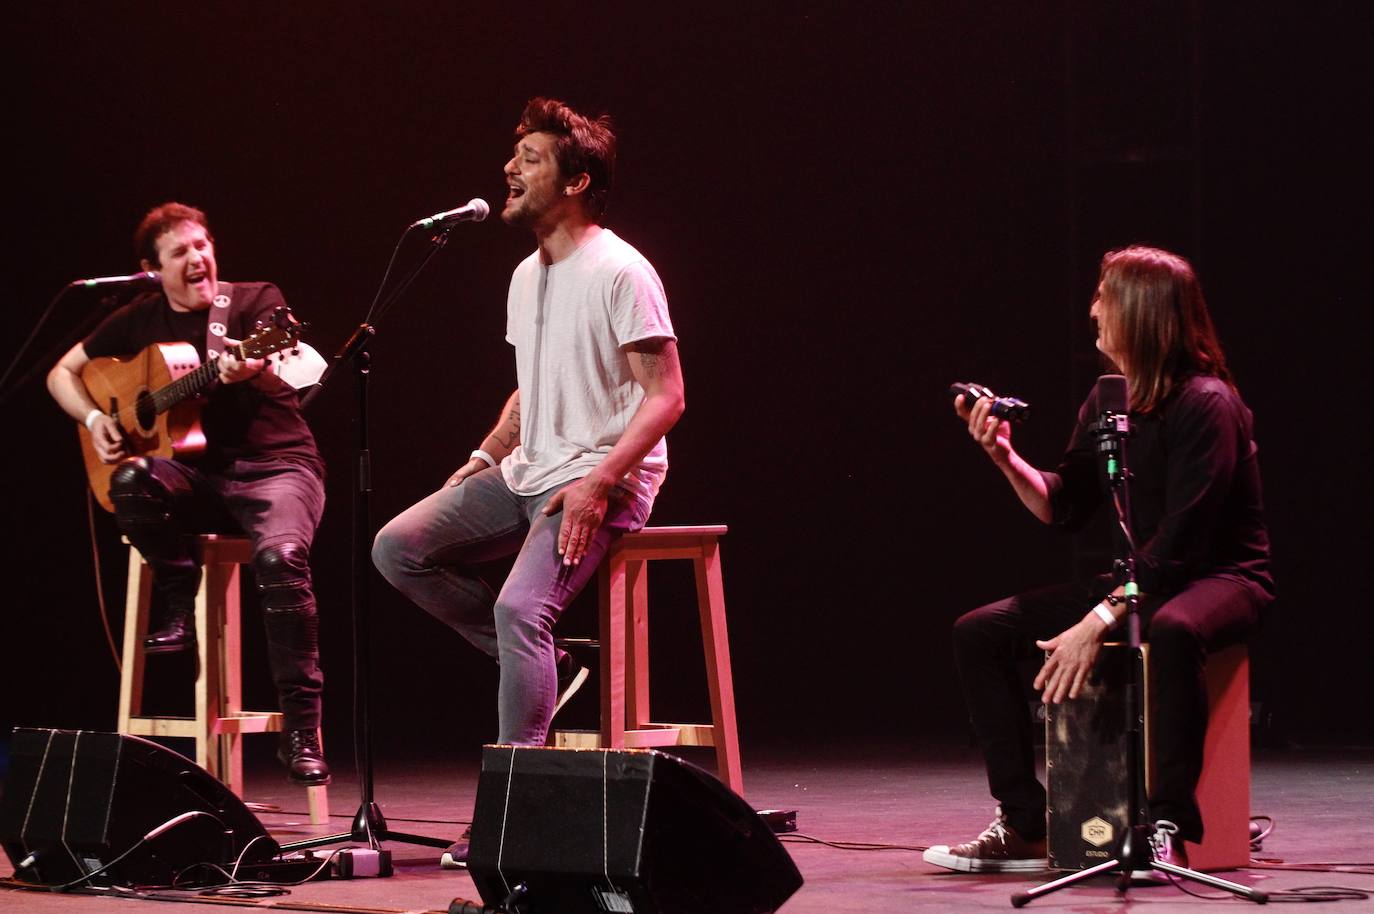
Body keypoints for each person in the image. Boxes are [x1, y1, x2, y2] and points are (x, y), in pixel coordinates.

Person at [924, 245, 1273, 875]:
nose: (1092, 312)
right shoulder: (1108, 399)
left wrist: (1098, 621)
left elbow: (1182, 547)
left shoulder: (1208, 404)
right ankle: (1027, 824)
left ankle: (1167, 826)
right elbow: (1064, 507)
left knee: (1173, 628)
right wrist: (1004, 457)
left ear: (1140, 313)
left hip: (1222, 578)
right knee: (981, 632)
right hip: (1141, 580)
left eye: (1103, 298)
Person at [372, 97, 684, 752]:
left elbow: (667, 396)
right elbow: (535, 386)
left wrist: (599, 483)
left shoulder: (622, 272)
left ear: (576, 183)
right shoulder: (524, 276)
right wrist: (486, 457)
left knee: (521, 611)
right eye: (515, 154)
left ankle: (513, 801)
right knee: (396, 548)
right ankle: (550, 664)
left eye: (530, 158)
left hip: (602, 478)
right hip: (526, 472)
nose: (509, 167)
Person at [47, 203, 331, 785]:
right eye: (180, 252)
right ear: (153, 269)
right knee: (131, 481)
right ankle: (181, 600)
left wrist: (246, 368)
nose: (198, 258)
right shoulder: (139, 318)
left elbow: (285, 357)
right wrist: (98, 420)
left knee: (282, 559)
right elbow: (61, 374)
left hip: (277, 468)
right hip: (201, 478)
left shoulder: (254, 303)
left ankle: (302, 731)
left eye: (202, 244)